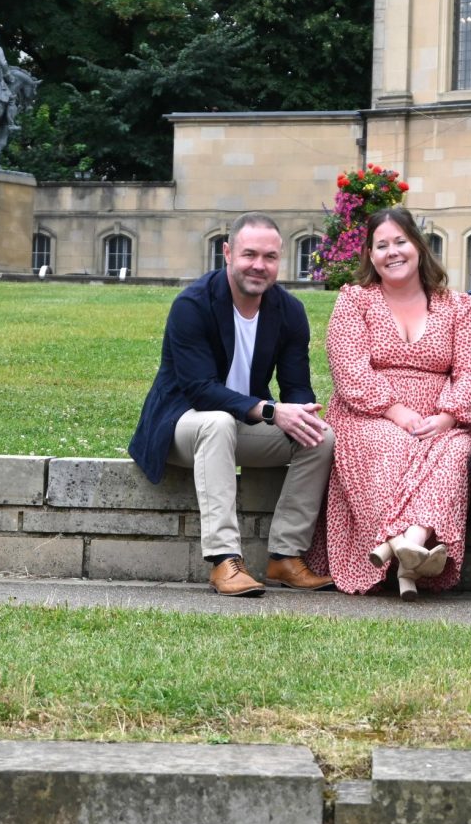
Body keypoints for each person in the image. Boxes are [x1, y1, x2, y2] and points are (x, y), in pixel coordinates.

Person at [127, 212, 336, 597]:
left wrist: (300, 413)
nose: (259, 265)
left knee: (320, 436)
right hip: (180, 425)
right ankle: (224, 560)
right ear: (227, 253)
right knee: (217, 422)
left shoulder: (289, 311)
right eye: (249, 254)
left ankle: (285, 558)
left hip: (243, 424)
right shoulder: (193, 304)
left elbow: (297, 388)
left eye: (270, 257)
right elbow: (200, 390)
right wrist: (272, 411)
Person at [305, 207, 471, 599]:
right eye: (381, 245)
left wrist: (447, 416)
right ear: (370, 255)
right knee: (394, 445)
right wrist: (396, 411)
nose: (393, 252)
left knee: (458, 450)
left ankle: (407, 543)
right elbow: (348, 365)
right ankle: (409, 551)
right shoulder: (355, 301)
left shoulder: (457, 306)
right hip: (367, 413)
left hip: (441, 417)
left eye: (400, 241)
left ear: (418, 247)